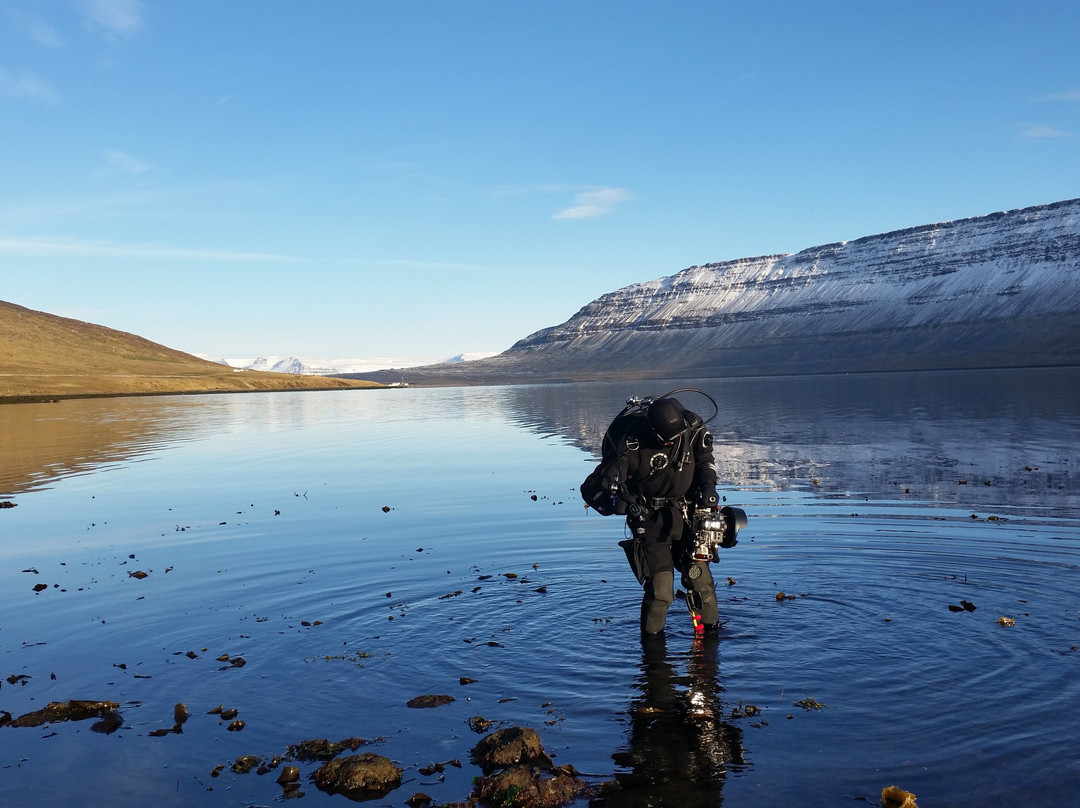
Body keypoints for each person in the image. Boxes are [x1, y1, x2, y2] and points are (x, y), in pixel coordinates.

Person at [617, 396, 721, 636]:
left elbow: (706, 461)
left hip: (687, 514)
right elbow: (602, 483)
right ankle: (653, 651)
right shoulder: (632, 443)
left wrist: (708, 487)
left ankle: (711, 638)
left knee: (701, 581)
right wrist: (624, 503)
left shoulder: (693, 430)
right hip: (649, 519)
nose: (672, 442)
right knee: (661, 590)